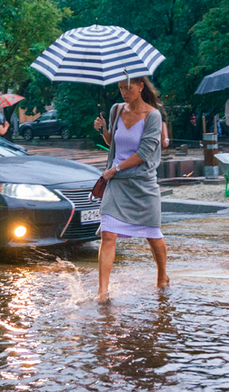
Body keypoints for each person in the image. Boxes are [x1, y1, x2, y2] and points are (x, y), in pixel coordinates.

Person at [93, 75, 169, 302]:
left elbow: (143, 154)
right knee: (108, 234)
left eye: (128, 88)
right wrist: (103, 130)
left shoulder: (152, 116)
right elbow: (113, 144)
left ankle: (162, 276)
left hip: (142, 184)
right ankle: (102, 292)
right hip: (116, 184)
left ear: (140, 86)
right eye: (120, 88)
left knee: (152, 234)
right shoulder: (116, 109)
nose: (124, 92)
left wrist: (114, 169)